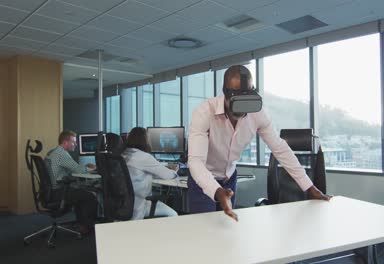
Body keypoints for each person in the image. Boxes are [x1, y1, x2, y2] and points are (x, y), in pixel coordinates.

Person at [188, 65, 331, 221]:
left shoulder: (257, 114)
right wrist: (216, 191)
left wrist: (309, 187)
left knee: (225, 229)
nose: (241, 111)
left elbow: (280, 149)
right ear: (225, 93)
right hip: (202, 179)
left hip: (229, 178)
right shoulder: (204, 112)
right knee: (204, 231)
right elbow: (195, 162)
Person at [45, 130, 98, 234]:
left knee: (80, 192)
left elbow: (70, 169)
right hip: (58, 192)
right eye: (73, 142)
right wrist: (94, 168)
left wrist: (84, 167)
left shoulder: (54, 152)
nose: (76, 144)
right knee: (90, 196)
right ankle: (86, 227)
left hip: (51, 191)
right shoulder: (62, 154)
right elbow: (79, 170)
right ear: (65, 142)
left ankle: (81, 224)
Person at [121, 127, 178, 219]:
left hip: (123, 205)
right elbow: (169, 175)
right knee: (173, 214)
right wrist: (175, 171)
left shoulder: (123, 155)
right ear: (145, 140)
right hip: (138, 206)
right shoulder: (144, 157)